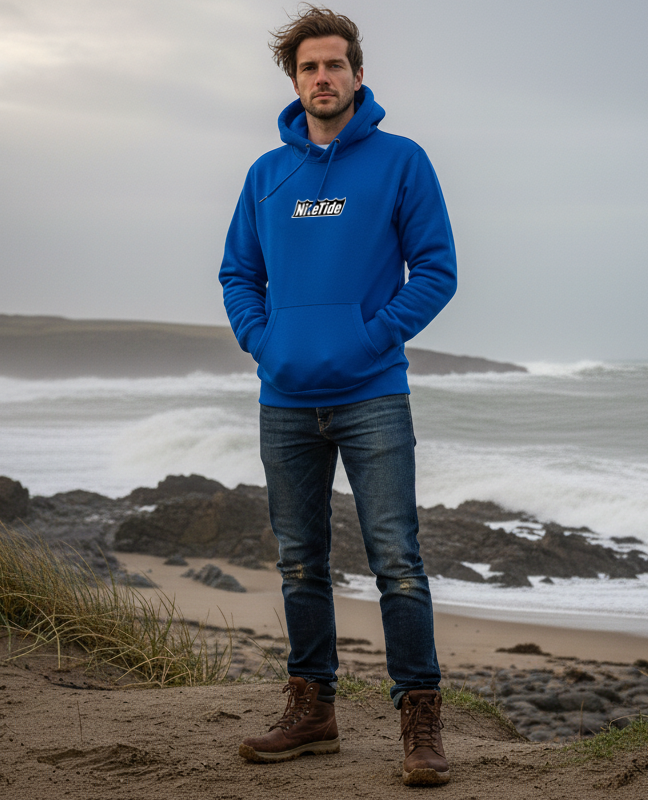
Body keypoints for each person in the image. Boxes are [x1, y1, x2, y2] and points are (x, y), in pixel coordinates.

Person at [218, 5, 457, 786]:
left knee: (398, 561)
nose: (322, 78)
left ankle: (419, 720)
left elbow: (436, 270)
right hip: (284, 399)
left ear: (358, 74)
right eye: (308, 67)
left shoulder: (401, 161)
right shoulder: (267, 174)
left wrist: (368, 338)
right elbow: (237, 275)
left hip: (372, 394)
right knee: (299, 563)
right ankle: (312, 708)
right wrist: (265, 341)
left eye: (334, 65)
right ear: (294, 81)